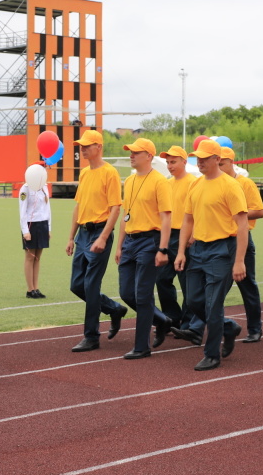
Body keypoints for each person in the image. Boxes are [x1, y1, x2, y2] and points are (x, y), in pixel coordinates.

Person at [175, 139, 248, 371]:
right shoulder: (195, 185)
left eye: (205, 158)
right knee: (194, 300)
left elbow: (242, 224)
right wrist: (181, 251)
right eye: (198, 158)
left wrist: (239, 261)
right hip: (197, 250)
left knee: (213, 304)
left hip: (222, 250)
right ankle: (227, 328)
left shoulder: (230, 186)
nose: (200, 162)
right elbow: (188, 219)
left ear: (218, 159)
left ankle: (212, 354)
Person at [66, 129, 128, 352]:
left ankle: (91, 336)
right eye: (81, 146)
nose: (82, 149)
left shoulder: (109, 173)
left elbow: (115, 208)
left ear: (99, 147)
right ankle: (113, 309)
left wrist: (103, 237)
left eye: (87, 146)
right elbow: (78, 206)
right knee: (76, 285)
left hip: (99, 232)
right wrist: (71, 237)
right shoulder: (84, 173)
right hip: (83, 233)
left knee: (91, 286)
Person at [115, 138, 173, 359]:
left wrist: (163, 249)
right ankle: (161, 320)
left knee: (142, 294)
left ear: (149, 156)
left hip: (150, 241)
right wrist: (119, 245)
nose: (131, 155)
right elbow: (125, 215)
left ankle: (142, 347)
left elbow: (166, 217)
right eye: (130, 152)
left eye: (136, 152)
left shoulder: (160, 182)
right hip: (130, 241)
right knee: (126, 292)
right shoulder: (129, 181)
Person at [218, 147, 263, 342]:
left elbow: (259, 211)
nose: (219, 167)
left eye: (221, 163)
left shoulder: (245, 183)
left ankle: (255, 329)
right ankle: (199, 327)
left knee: (247, 285)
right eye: (217, 163)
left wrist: (237, 213)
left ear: (231, 162)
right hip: (218, 240)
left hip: (241, 239)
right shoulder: (214, 183)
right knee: (215, 286)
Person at [155, 146, 196, 329]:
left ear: (184, 162)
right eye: (167, 163)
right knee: (162, 279)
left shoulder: (193, 183)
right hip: (167, 235)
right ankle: (172, 316)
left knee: (187, 282)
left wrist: (193, 234)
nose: (169, 166)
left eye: (173, 162)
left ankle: (188, 323)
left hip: (184, 235)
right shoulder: (166, 184)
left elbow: (197, 212)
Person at [19, 180, 51, 298]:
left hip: (42, 224)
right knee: (30, 257)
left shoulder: (44, 187)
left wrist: (48, 227)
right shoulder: (25, 188)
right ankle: (30, 289)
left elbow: (48, 209)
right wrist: (25, 231)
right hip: (30, 224)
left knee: (37, 258)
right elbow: (22, 210)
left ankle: (36, 288)